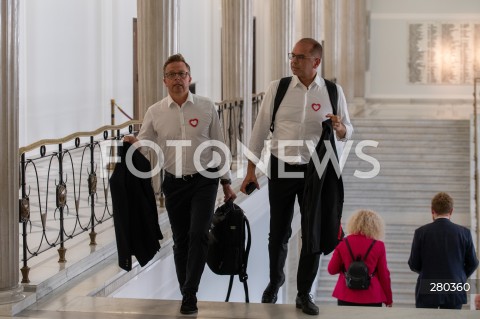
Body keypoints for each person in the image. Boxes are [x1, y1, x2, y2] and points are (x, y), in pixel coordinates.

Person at [241, 38, 353, 315]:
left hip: (317, 170)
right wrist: (250, 170)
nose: (293, 61)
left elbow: (349, 129)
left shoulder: (332, 91)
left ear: (316, 62)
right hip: (281, 166)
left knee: (312, 232)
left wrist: (340, 128)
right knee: (278, 231)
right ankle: (275, 280)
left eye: (300, 57)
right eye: (292, 55)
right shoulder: (277, 88)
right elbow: (259, 129)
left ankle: (304, 293)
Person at [124, 53, 236, 315]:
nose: (178, 79)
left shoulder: (207, 107)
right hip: (174, 183)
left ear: (189, 77)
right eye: (172, 74)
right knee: (181, 240)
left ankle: (190, 293)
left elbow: (219, 145)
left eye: (182, 74)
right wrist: (132, 143)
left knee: (198, 234)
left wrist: (226, 182)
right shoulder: (155, 112)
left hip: (205, 180)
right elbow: (146, 146)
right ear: (165, 80)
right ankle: (186, 288)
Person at [408, 192, 479, 309]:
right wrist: (459, 275)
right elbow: (473, 262)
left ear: (432, 211)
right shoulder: (464, 233)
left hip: (428, 287)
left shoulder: (421, 232)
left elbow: (414, 264)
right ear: (451, 211)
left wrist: (427, 272)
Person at [327, 209, 393, 307]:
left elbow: (331, 270)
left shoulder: (343, 243)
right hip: (372, 296)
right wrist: (388, 299)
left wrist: (346, 264)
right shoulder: (379, 246)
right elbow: (384, 275)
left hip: (346, 294)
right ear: (376, 226)